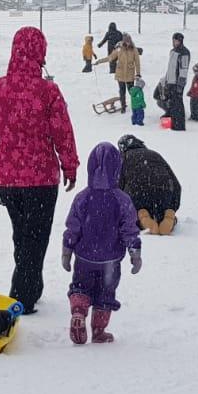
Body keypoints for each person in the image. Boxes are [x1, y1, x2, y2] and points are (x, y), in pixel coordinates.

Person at [0, 26, 79, 315]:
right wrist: (69, 165)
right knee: (36, 238)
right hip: (42, 179)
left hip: (7, 179)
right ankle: (22, 295)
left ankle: (31, 285)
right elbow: (63, 133)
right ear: (40, 53)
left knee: (22, 235)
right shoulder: (48, 91)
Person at [60, 140, 142, 345]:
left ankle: (78, 313)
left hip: (84, 257)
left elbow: (73, 226)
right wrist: (135, 253)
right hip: (110, 260)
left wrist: (67, 250)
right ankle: (98, 330)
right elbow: (129, 229)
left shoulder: (82, 197)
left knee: (80, 286)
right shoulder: (121, 199)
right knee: (106, 293)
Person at [115, 135, 181, 234]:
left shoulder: (123, 158)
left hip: (137, 191)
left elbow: (118, 185)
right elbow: (175, 182)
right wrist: (172, 205)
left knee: (136, 211)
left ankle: (142, 217)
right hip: (165, 190)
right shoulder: (155, 154)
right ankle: (168, 214)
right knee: (162, 210)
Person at [93, 32, 142, 112]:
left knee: (131, 91)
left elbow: (137, 62)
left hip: (130, 74)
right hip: (120, 74)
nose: (127, 43)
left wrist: (138, 73)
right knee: (122, 91)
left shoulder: (134, 49)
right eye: (126, 41)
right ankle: (123, 106)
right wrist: (99, 61)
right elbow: (110, 58)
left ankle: (136, 104)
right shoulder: (119, 49)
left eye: (128, 41)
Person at [161, 33, 191, 131]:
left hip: (177, 83)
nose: (174, 42)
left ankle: (179, 125)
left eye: (176, 41)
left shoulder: (184, 53)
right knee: (170, 104)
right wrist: (165, 80)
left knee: (177, 104)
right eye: (173, 40)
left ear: (180, 41)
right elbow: (170, 68)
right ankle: (171, 123)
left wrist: (180, 85)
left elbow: (184, 70)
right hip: (170, 82)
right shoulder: (173, 51)